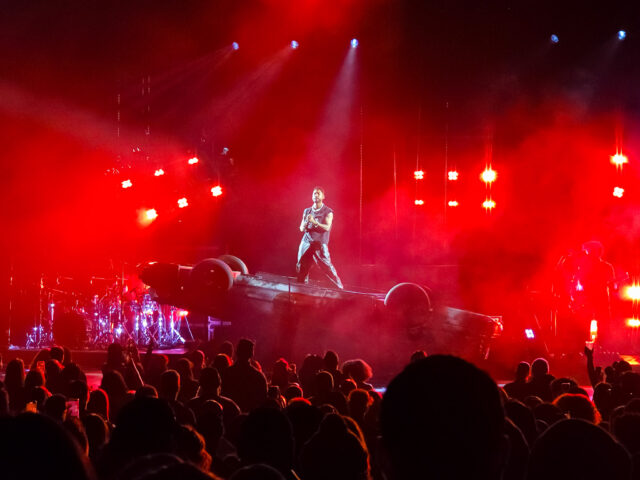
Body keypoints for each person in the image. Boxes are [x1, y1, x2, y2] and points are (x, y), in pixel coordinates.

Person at [296, 187, 343, 289]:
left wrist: (314, 222)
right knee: (301, 264)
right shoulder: (307, 211)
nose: (316, 195)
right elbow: (301, 228)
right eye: (314, 193)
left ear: (323, 196)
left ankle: (339, 288)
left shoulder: (328, 211)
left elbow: (327, 227)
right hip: (306, 241)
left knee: (327, 267)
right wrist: (305, 223)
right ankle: (301, 287)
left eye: (318, 193)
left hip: (320, 242)